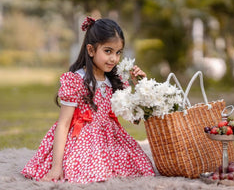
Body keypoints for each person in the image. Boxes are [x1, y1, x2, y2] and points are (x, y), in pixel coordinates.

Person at [21, 17, 155, 184]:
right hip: (82, 139)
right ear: (91, 50)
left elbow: (134, 119)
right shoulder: (77, 80)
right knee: (89, 170)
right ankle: (72, 166)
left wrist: (140, 85)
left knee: (139, 165)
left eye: (118, 52)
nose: (114, 58)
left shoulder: (116, 79)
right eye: (108, 51)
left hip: (109, 137)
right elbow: (63, 124)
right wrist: (57, 166)